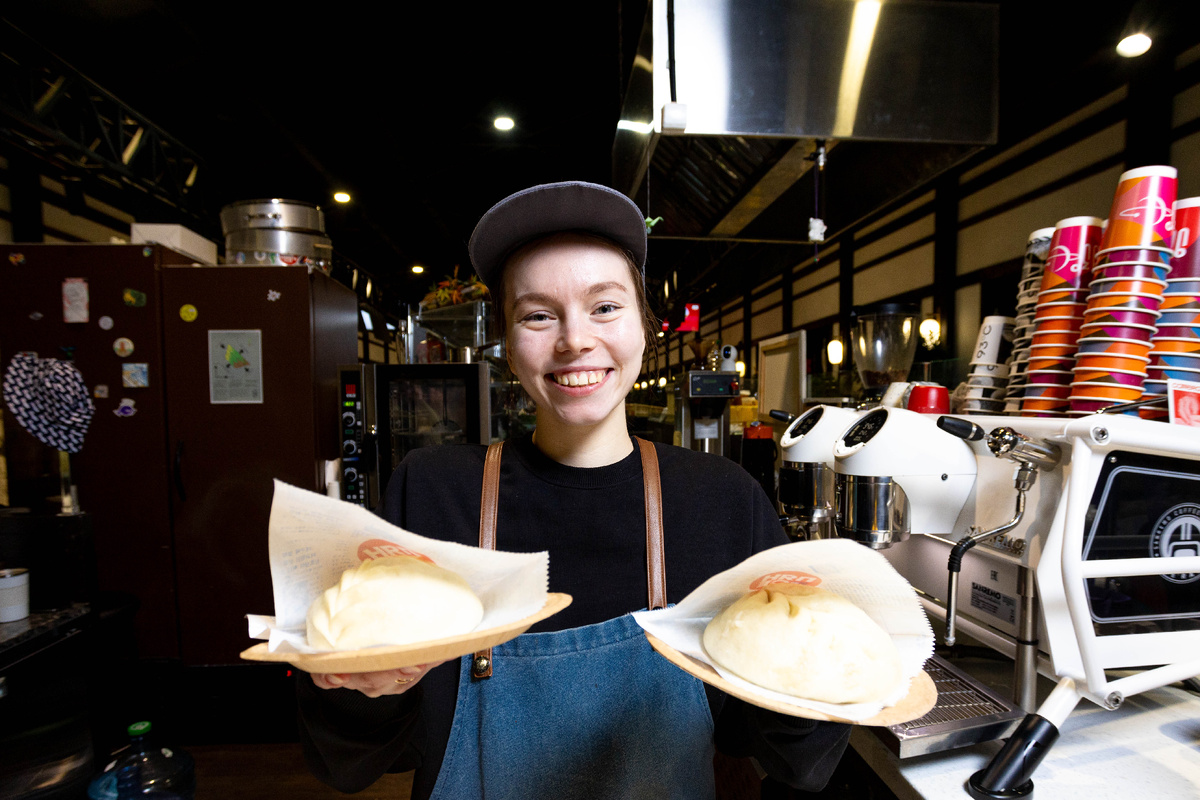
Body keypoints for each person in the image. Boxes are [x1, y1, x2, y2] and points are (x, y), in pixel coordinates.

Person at [296, 181, 851, 799]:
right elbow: (351, 757)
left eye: (605, 307)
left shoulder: (719, 501)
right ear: (507, 345)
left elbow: (787, 755)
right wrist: (366, 683)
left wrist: (819, 658)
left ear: (645, 327)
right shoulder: (433, 493)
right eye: (538, 314)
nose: (574, 340)